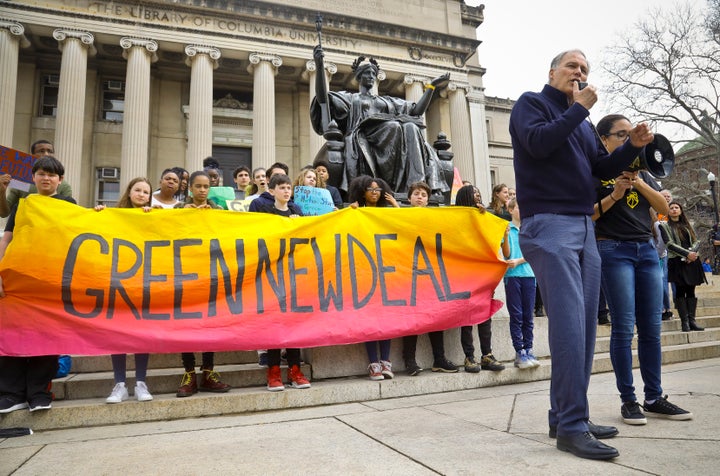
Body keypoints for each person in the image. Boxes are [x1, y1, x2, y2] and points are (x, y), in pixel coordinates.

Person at [509, 49, 655, 460]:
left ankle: (568, 414)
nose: (579, 73)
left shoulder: (582, 122)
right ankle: (571, 428)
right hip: (548, 224)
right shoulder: (530, 104)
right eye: (573, 66)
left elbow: (601, 169)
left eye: (585, 69)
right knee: (570, 326)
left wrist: (633, 149)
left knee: (586, 327)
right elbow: (538, 144)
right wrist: (580, 109)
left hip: (583, 225)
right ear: (552, 71)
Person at [593, 113, 692, 426]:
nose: (629, 139)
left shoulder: (643, 173)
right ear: (604, 139)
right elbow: (589, 215)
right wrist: (615, 194)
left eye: (630, 133)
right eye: (621, 135)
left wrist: (637, 182)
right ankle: (629, 400)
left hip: (647, 251)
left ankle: (654, 397)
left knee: (652, 328)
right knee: (623, 328)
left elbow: (662, 211)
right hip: (612, 250)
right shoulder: (596, 172)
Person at [311, 47, 450, 195]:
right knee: (394, 126)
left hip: (390, 140)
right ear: (359, 77)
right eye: (367, 73)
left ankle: (416, 184)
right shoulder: (351, 98)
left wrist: (432, 86)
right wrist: (319, 66)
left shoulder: (386, 101)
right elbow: (323, 99)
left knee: (411, 127)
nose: (371, 76)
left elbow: (416, 111)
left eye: (373, 74)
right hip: (363, 135)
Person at [0, 156, 76, 413]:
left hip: (52, 279)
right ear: (33, 177)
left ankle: (38, 392)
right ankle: (12, 393)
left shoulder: (68, 204)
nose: (46, 178)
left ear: (60, 180)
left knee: (47, 336)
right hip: (19, 279)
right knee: (13, 334)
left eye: (52, 175)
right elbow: (7, 239)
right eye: (42, 173)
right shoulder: (23, 205)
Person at [95, 178, 154, 403]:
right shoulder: (113, 215)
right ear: (129, 192)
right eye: (137, 190)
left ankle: (141, 382)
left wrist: (155, 216)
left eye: (145, 192)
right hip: (118, 282)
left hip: (144, 283)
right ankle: (119, 384)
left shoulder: (153, 214)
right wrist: (99, 214)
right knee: (117, 334)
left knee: (142, 334)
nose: (141, 194)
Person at [251, 173, 311, 391]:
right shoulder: (265, 212)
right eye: (282, 188)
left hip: (294, 275)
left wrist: (299, 225)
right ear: (272, 191)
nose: (287, 191)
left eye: (289, 188)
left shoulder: (297, 211)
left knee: (294, 324)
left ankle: (295, 370)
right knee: (275, 324)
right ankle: (274, 372)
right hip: (272, 275)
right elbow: (257, 237)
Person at [175, 171, 231, 397]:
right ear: (190, 189)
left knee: (210, 323)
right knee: (186, 324)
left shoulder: (217, 211)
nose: (202, 190)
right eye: (197, 186)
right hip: (184, 275)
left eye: (206, 186)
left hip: (210, 274)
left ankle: (208, 371)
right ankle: (189, 373)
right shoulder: (179, 210)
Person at [401, 182, 458, 375]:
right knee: (412, 319)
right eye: (416, 194)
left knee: (436, 316)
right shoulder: (399, 217)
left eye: (423, 195)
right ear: (409, 198)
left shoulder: (435, 218)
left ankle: (439, 358)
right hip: (408, 274)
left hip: (431, 274)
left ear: (427, 199)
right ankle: (409, 360)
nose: (420, 197)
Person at [347, 175, 398, 379]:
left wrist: (395, 206)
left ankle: (385, 362)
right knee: (369, 320)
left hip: (387, 272)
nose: (374, 192)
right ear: (363, 191)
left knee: (386, 320)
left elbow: (405, 226)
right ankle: (373, 363)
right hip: (365, 273)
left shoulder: (387, 212)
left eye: (378, 189)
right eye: (370, 189)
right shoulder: (355, 211)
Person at [454, 185, 505, 373]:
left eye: (478, 192)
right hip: (463, 275)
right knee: (466, 318)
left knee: (485, 316)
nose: (477, 195)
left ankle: (487, 355)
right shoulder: (455, 219)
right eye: (473, 193)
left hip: (483, 274)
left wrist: (484, 218)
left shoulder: (486, 216)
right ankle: (469, 357)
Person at [659, 202, 707, 332]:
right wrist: (686, 254)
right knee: (680, 290)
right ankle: (684, 322)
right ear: (668, 211)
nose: (674, 210)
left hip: (692, 261)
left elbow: (696, 240)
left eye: (676, 208)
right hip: (676, 261)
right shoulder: (664, 226)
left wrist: (692, 253)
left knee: (691, 290)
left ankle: (692, 321)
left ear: (681, 210)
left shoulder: (688, 225)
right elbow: (669, 244)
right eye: (671, 208)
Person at [504, 198, 540, 370]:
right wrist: (504, 236)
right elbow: (507, 253)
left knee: (528, 316)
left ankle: (529, 348)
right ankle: (519, 351)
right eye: (518, 207)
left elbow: (534, 252)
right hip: (512, 276)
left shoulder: (529, 230)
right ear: (510, 210)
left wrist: (518, 261)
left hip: (529, 275)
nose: (521, 210)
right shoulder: (507, 229)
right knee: (516, 315)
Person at [0, 140, 73, 218]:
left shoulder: (64, 186)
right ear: (32, 155)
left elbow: (68, 214)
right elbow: (4, 213)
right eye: (41, 151)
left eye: (50, 151)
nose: (46, 154)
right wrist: (1, 191)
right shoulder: (21, 182)